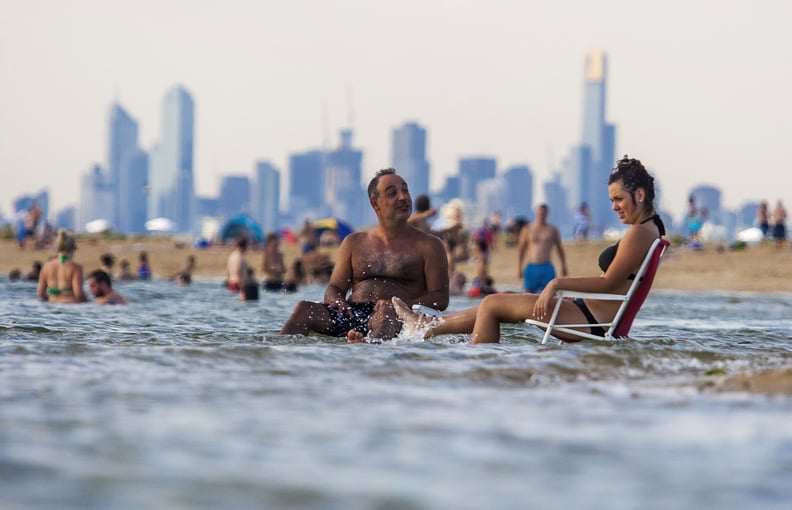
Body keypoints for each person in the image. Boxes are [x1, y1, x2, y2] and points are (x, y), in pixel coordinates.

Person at [394, 155, 666, 344]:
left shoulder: (639, 233)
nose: (614, 206)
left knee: (491, 304)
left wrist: (556, 284)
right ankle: (427, 326)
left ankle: (476, 375)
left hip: (589, 321)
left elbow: (609, 283)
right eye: (611, 200)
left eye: (619, 199)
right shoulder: (653, 228)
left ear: (639, 195)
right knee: (507, 297)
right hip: (589, 314)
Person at [281, 168, 450, 341]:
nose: (403, 197)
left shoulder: (429, 245)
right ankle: (279, 357)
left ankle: (365, 356)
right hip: (352, 314)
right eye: (393, 193)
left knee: (386, 313)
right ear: (375, 204)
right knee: (304, 309)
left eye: (405, 190)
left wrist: (401, 304)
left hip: (395, 315)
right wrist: (338, 301)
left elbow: (440, 298)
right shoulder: (354, 242)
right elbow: (335, 288)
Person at [517, 203, 568, 293]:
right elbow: (521, 250)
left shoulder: (552, 229)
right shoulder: (527, 229)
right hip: (532, 266)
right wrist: (519, 268)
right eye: (540, 213)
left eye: (543, 213)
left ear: (547, 214)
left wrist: (564, 265)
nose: (541, 215)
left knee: (550, 294)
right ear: (536, 213)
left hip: (546, 267)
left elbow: (559, 249)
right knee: (529, 295)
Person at [37, 229, 89, 303]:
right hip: (70, 304)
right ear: (73, 248)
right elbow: (79, 294)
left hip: (51, 305)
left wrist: (51, 299)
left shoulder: (46, 266)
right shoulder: (76, 267)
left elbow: (41, 293)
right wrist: (88, 302)